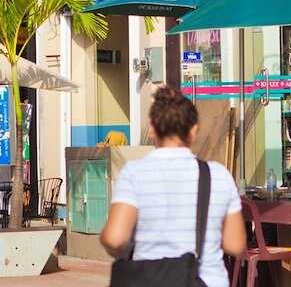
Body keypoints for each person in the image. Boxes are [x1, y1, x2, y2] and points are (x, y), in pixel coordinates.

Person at [100, 86, 245, 287]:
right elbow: (235, 244)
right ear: (193, 130)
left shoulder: (134, 173)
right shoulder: (218, 176)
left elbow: (115, 239)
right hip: (206, 281)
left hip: (148, 280)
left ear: (151, 128)